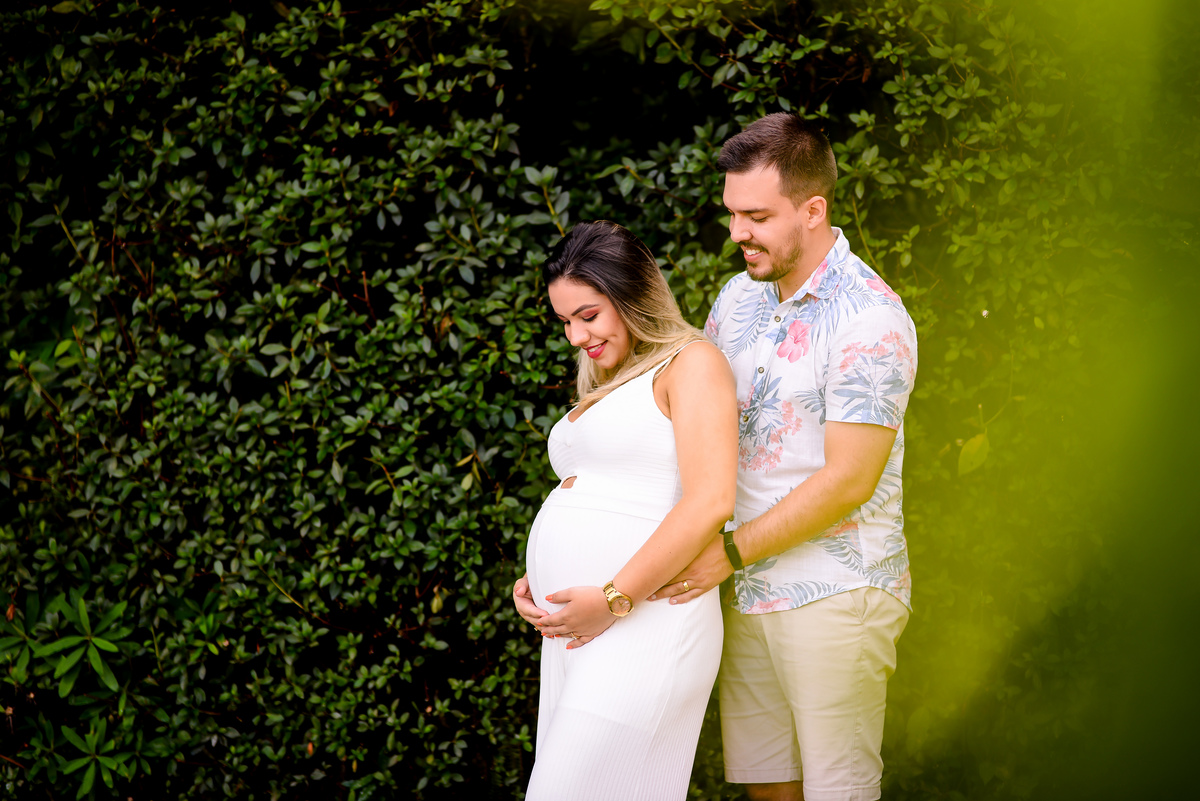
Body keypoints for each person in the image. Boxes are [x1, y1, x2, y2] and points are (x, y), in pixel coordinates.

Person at [653, 113, 918, 801]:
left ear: (813, 209)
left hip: (837, 589)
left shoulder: (870, 317)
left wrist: (730, 552)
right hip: (746, 588)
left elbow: (848, 479)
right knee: (768, 785)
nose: (737, 231)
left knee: (840, 788)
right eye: (732, 213)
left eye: (756, 215)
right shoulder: (736, 300)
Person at [510, 220, 738, 800]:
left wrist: (612, 599)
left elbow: (711, 498)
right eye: (564, 321)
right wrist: (541, 580)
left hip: (645, 624)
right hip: (582, 630)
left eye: (587, 315)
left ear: (632, 295)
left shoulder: (691, 363)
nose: (575, 336)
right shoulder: (615, 382)